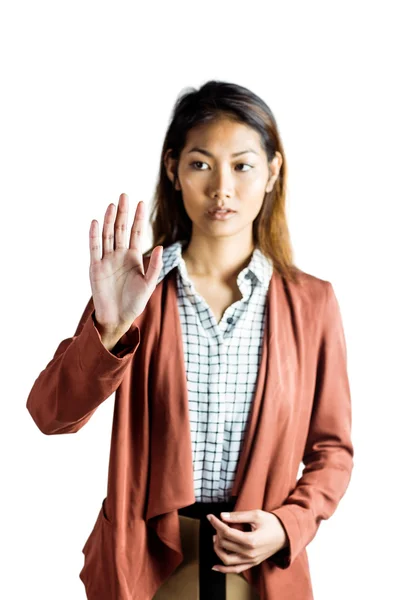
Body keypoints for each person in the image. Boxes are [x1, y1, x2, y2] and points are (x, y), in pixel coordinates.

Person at [26, 80, 354, 600]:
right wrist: (110, 329)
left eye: (242, 165)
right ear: (173, 169)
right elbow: (50, 415)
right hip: (148, 563)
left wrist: (289, 525)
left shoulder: (312, 302)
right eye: (201, 163)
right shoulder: (140, 288)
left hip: (259, 569)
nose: (222, 187)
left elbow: (332, 450)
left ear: (273, 172)